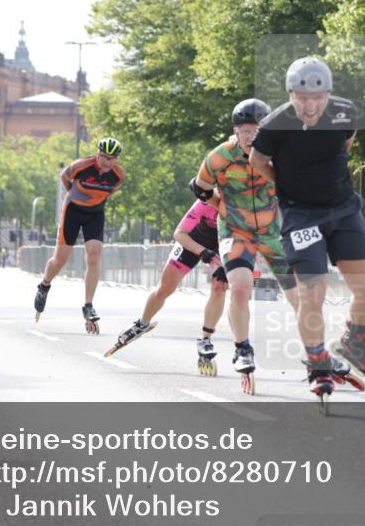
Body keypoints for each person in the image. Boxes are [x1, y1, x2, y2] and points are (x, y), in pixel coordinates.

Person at [250, 57, 365, 399]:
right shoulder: (273, 126)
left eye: (318, 97)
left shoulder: (345, 113)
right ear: (290, 94)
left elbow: (346, 143)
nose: (311, 106)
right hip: (301, 215)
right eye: (302, 98)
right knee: (312, 294)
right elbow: (256, 161)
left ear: (328, 94)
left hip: (343, 209)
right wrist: (286, 185)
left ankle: (355, 341)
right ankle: (317, 363)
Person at [190, 99, 309, 395]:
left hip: (273, 232)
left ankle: (315, 351)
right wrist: (222, 208)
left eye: (258, 130)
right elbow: (201, 188)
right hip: (236, 231)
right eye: (245, 130)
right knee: (241, 287)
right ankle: (242, 348)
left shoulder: (281, 155)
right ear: (236, 131)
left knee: (299, 295)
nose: (251, 136)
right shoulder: (219, 157)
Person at [105, 194, 230, 375]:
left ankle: (205, 339)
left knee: (220, 287)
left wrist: (226, 264)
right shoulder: (205, 202)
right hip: (193, 240)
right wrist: (202, 252)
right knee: (166, 287)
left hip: (223, 245)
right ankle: (142, 323)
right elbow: (179, 233)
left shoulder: (243, 206)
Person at [34, 137, 126, 334]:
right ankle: (44, 285)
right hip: (73, 211)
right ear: (97, 154)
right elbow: (64, 177)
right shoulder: (81, 166)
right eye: (103, 157)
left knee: (94, 257)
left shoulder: (118, 175)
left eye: (111, 159)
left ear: (116, 159)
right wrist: (73, 193)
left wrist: (94, 199)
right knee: (60, 260)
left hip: (95, 213)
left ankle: (88, 305)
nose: (106, 162)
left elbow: (111, 191)